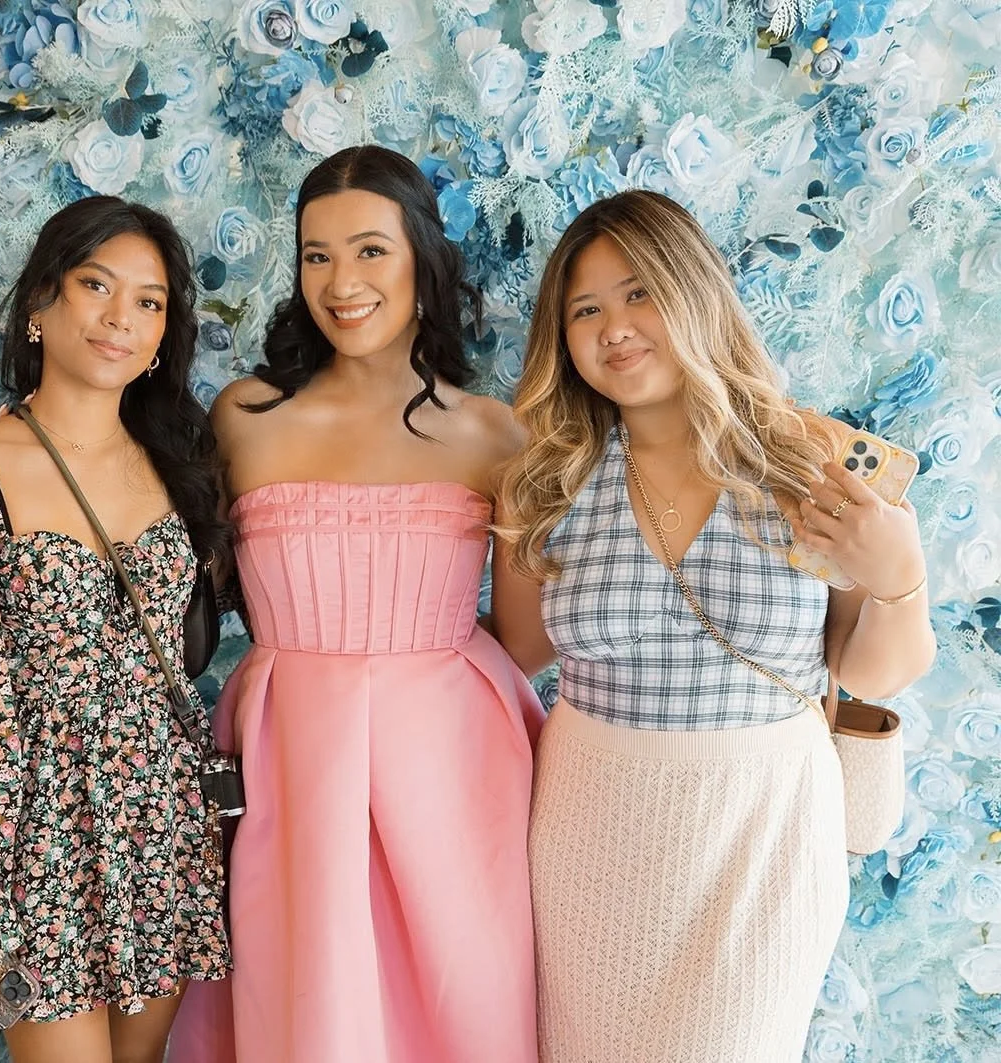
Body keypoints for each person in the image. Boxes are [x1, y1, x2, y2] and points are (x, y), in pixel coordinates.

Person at [491, 190, 935, 1063]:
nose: (614, 326)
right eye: (585, 310)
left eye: (639, 292)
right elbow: (515, 655)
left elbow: (875, 673)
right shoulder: (546, 483)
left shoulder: (805, 462)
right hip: (591, 840)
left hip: (762, 840)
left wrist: (901, 579)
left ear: (694, 291)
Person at [168, 145, 542, 1063]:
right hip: (290, 757)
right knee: (303, 1004)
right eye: (318, 254)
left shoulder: (493, 433)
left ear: (422, 257)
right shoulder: (247, 415)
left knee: (465, 1006)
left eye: (371, 250)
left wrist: (413, 668)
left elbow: (527, 642)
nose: (343, 282)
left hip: (454, 771)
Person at [0, 196, 230, 1063]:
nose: (121, 318)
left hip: (160, 826)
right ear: (41, 301)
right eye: (95, 285)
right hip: (29, 840)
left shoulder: (178, 463)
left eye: (149, 301)